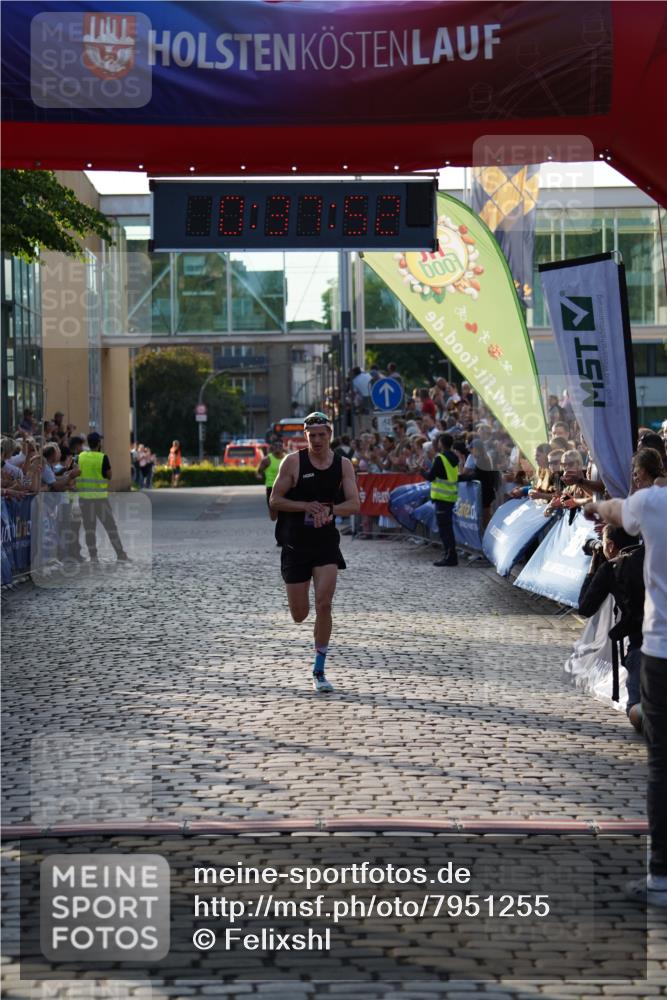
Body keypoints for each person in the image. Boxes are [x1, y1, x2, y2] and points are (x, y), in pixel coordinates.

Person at [584, 484, 667, 906]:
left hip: (662, 650)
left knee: (661, 766)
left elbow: (614, 510)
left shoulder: (653, 503)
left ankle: (661, 877)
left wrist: (593, 506)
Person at [269, 411, 360, 693]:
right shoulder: (293, 462)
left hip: (325, 542)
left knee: (324, 603)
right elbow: (275, 500)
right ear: (305, 436)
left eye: (322, 435)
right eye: (312, 435)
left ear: (329, 436)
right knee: (300, 614)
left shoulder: (343, 465)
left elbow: (354, 503)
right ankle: (302, 615)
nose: (318, 440)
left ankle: (319, 669)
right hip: (295, 542)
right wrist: (306, 506)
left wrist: (331, 510)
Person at [578, 525, 645, 732]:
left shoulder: (614, 568)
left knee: (636, 710)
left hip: (643, 648)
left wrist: (594, 567)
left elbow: (585, 607)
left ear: (610, 545)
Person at [76, 432, 130, 564]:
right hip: (100, 500)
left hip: (84, 499)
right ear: (99, 443)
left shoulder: (80, 456)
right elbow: (109, 475)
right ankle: (120, 554)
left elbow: (76, 472)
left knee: (90, 529)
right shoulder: (103, 457)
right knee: (111, 527)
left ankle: (93, 557)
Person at [421, 432, 459, 567]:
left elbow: (431, 476)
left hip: (442, 498)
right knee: (448, 528)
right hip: (450, 497)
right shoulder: (454, 457)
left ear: (442, 444)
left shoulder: (441, 458)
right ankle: (450, 555)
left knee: (445, 530)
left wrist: (420, 471)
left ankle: (450, 556)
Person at [256, 437, 286, 544]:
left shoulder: (288, 459)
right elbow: (258, 471)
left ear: (283, 447)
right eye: (276, 446)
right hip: (271, 489)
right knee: (274, 517)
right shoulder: (267, 459)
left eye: (280, 445)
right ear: (272, 447)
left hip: (285, 489)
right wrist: (259, 475)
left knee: (284, 515)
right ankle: (282, 536)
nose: (278, 448)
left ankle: (281, 539)